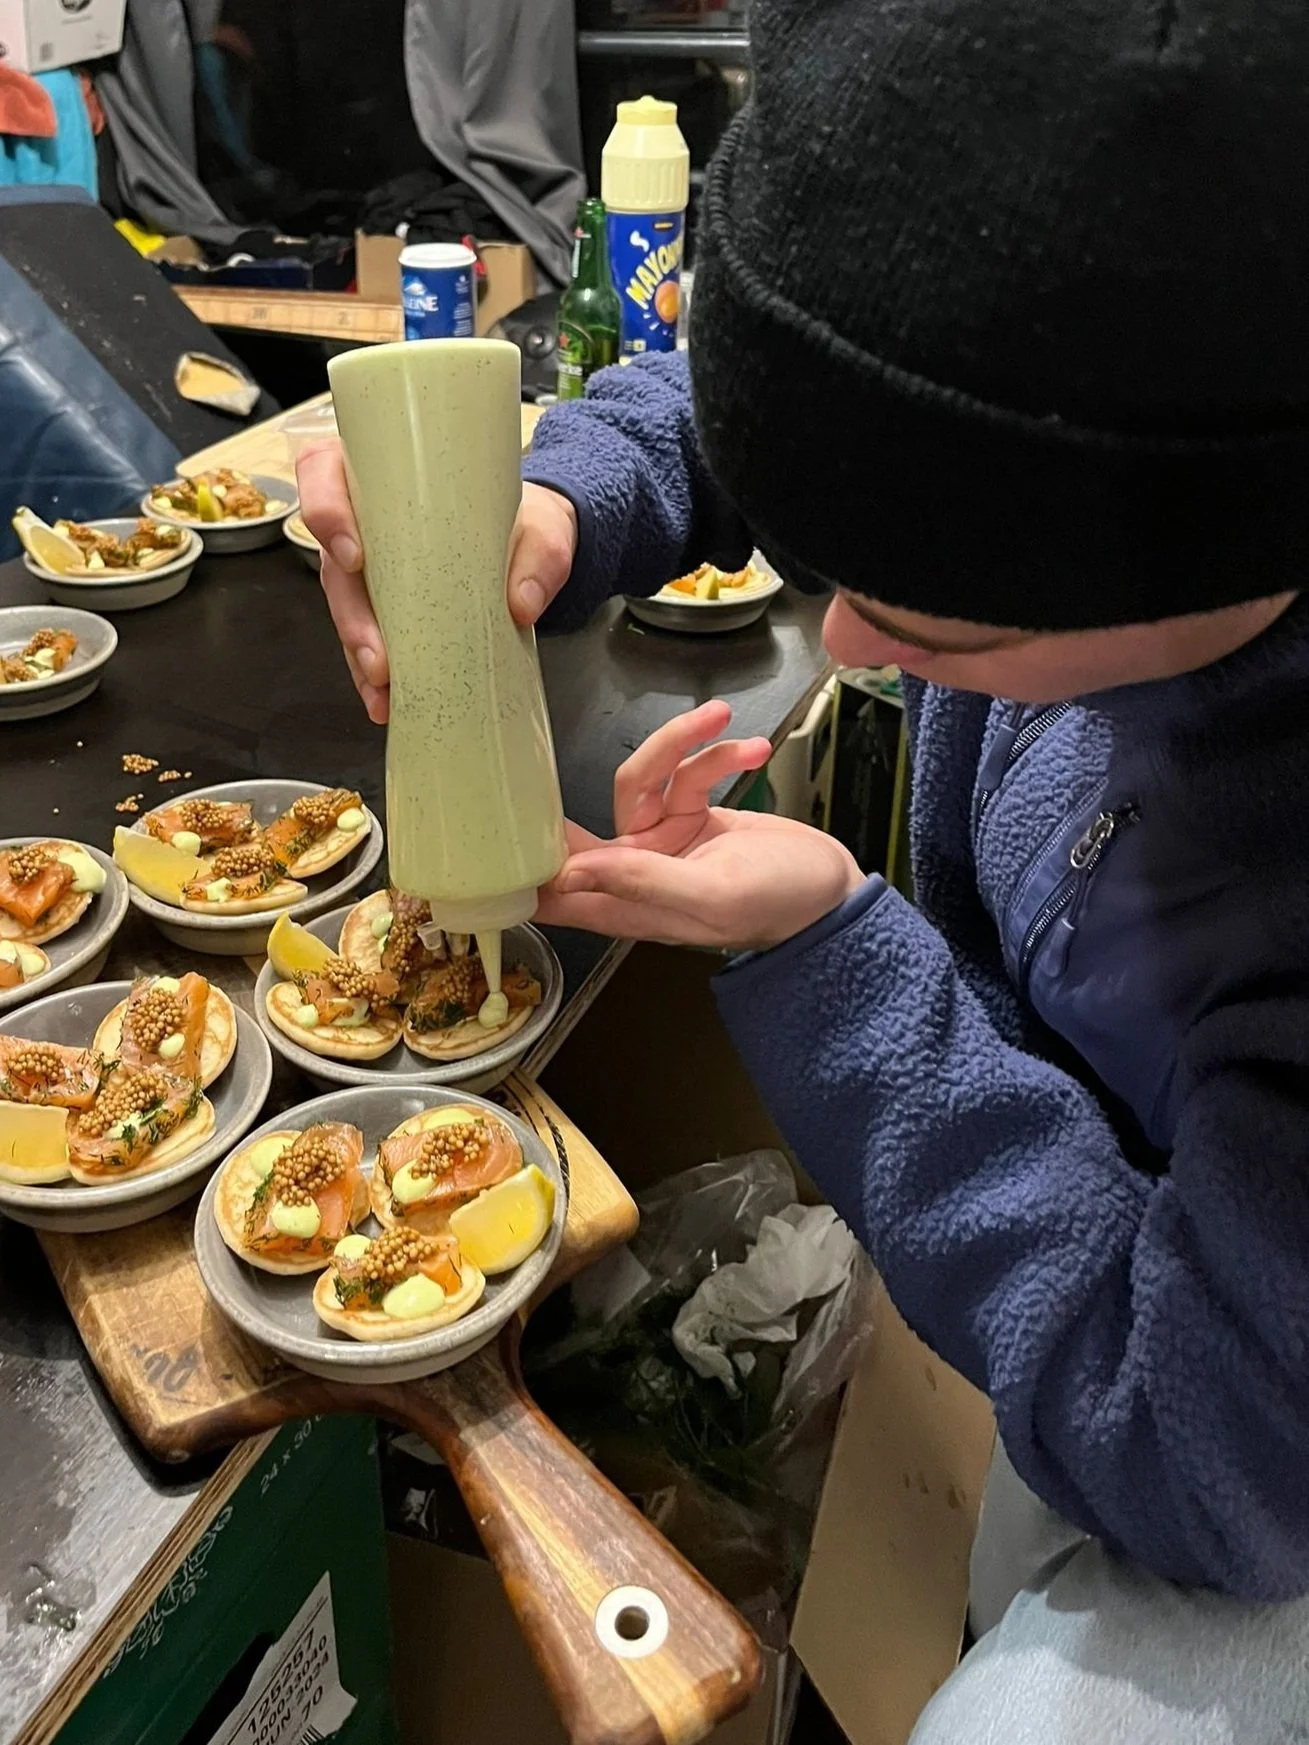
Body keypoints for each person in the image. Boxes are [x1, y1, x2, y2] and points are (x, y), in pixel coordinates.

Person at [299, 0, 1309, 1737]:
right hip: (1148, 1234)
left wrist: (846, 950)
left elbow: (1205, 1438)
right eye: (826, 553)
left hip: (1240, 1406)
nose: (837, 631)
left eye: (917, 610)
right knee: (1030, 1523)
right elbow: (833, 383)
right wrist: (561, 497)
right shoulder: (1106, 402)